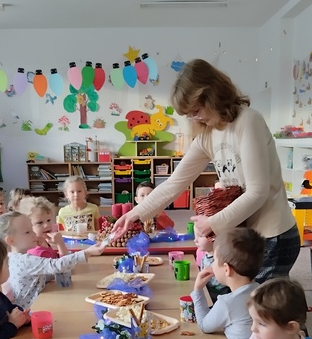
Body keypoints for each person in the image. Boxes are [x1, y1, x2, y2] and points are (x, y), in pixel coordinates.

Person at [112, 59, 300, 283]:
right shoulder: (207, 135)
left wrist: (213, 223)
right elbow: (173, 184)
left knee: (263, 304)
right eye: (190, 114)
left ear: (212, 95)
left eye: (197, 110)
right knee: (244, 301)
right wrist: (133, 215)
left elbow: (257, 192)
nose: (195, 118)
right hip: (247, 236)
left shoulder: (248, 121)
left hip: (274, 235)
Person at [0, 212, 103, 308]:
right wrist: (87, 252)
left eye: (31, 230)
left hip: (33, 307)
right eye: (27, 232)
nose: (34, 234)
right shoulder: (25, 260)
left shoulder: (12, 257)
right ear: (11, 240)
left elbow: (43, 275)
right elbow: (57, 265)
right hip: (32, 312)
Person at [191, 228, 265, 339]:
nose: (213, 264)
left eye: (214, 259)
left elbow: (203, 325)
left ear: (226, 269)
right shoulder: (262, 290)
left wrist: (198, 290)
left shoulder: (227, 303)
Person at [194, 223, 231, 303]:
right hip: (208, 297)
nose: (195, 240)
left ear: (214, 237)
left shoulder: (221, 260)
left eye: (200, 236)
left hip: (220, 300)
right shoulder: (204, 257)